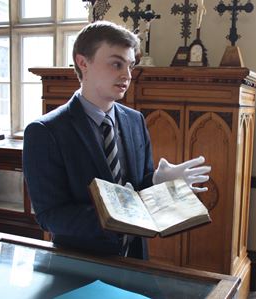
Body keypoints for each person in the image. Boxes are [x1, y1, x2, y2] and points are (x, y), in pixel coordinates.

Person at [23, 21, 210, 259]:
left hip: (135, 259)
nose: (127, 75)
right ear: (83, 63)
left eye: (130, 66)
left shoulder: (135, 121)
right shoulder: (45, 131)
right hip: (80, 264)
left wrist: (159, 182)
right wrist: (120, 215)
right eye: (116, 64)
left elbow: (137, 186)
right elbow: (50, 216)